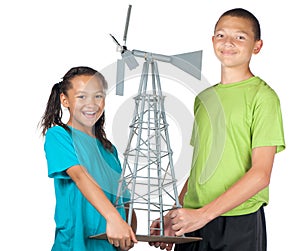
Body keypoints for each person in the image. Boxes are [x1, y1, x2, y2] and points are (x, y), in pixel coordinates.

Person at [149, 8, 285, 251]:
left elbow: (261, 174)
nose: (228, 43)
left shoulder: (263, 97)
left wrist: (204, 214)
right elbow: (200, 168)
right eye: (221, 35)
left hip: (238, 221)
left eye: (240, 37)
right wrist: (175, 214)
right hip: (193, 219)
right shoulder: (204, 99)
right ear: (213, 41)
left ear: (257, 46)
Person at [40, 66, 138, 251]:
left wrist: (129, 232)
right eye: (82, 97)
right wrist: (113, 218)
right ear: (65, 100)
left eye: (98, 96)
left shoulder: (109, 150)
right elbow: (80, 176)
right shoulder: (59, 136)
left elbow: (124, 198)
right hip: (75, 246)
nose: (91, 104)